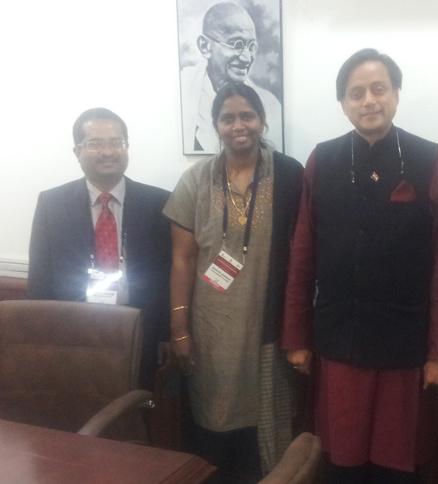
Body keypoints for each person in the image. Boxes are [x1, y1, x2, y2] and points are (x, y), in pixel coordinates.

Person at [282, 48, 438, 484]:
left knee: (395, 464)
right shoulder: (321, 160)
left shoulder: (433, 161)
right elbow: (302, 255)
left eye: (378, 89)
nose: (369, 100)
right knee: (340, 462)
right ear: (344, 103)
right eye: (356, 92)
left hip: (405, 345)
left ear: (396, 95)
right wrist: (296, 337)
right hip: (338, 341)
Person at [164, 82, 303, 483]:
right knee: (213, 421)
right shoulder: (196, 180)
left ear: (261, 121)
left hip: (267, 329)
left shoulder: (290, 175)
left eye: (247, 116)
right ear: (215, 126)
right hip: (211, 330)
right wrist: (179, 328)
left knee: (266, 429)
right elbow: (182, 258)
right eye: (228, 118)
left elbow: (305, 254)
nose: (238, 125)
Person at [27, 107, 171, 390]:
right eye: (95, 143)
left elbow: (168, 273)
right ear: (77, 150)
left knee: (135, 415)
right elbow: (40, 277)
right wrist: (43, 336)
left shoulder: (158, 203)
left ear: (127, 147)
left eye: (116, 142)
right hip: (73, 332)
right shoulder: (51, 204)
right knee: (78, 411)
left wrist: (167, 332)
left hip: (139, 330)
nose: (108, 152)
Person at [181, 2, 282, 154]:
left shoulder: (269, 103)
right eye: (237, 44)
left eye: (251, 46)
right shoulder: (184, 89)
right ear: (205, 46)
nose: (246, 58)